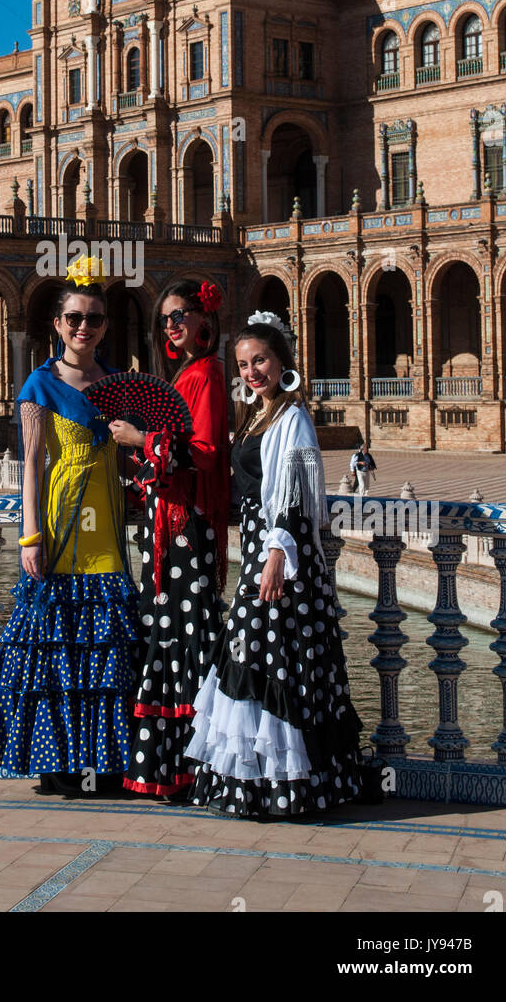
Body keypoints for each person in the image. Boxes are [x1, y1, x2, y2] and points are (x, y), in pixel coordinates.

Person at [0, 257, 140, 796]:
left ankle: (103, 761)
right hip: (64, 517)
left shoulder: (118, 384)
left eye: (93, 318)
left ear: (105, 326)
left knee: (104, 643)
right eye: (74, 318)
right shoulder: (40, 385)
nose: (83, 327)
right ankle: (59, 758)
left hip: (107, 520)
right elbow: (31, 464)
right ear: (57, 323)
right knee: (57, 641)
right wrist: (29, 534)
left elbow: (127, 458)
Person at [187, 310, 362, 819]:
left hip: (281, 556)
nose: (250, 371)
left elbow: (296, 499)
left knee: (277, 659)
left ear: (282, 360)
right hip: (260, 552)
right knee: (253, 658)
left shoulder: (294, 417)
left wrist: (277, 558)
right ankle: (258, 783)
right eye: (242, 364)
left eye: (259, 360)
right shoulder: (257, 415)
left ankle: (289, 786)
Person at [110, 279, 229, 800]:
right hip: (168, 529)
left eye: (180, 314)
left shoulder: (206, 374)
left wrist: (141, 439)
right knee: (168, 634)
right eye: (164, 318)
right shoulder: (185, 375)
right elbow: (175, 457)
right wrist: (143, 466)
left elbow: (201, 451)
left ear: (205, 319)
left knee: (184, 635)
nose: (172, 324)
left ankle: (190, 770)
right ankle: (171, 770)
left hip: (187, 531)